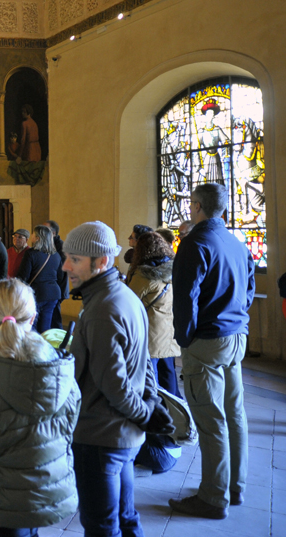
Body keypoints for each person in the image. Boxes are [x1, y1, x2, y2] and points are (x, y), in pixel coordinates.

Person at [61, 221, 172, 537]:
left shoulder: (103, 308)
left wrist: (146, 413)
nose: (67, 265)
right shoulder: (123, 294)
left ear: (102, 261)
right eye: (68, 257)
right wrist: (149, 404)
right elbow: (145, 359)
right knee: (126, 520)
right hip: (121, 435)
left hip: (101, 436)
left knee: (102, 526)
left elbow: (115, 385)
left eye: (76, 259)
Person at [0, 278, 80, 537]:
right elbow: (70, 427)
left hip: (2, 497)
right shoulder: (61, 369)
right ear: (33, 317)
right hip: (50, 487)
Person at [169, 183, 255, 519]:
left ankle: (212, 497)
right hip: (236, 337)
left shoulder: (195, 243)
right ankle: (235, 486)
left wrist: (184, 339)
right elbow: (248, 292)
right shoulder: (237, 242)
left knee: (210, 419)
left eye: (191, 204)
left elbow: (185, 299)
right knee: (235, 414)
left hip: (207, 340)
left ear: (197, 206)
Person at [127, 232, 180, 397]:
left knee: (151, 375)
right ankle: (175, 411)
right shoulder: (175, 270)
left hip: (151, 331)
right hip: (171, 329)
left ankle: (156, 409)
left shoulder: (143, 275)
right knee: (169, 372)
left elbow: (129, 301)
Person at [16, 225, 62, 334]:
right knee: (45, 327)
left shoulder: (31, 254)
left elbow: (23, 276)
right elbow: (60, 276)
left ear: (37, 238)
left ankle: (33, 348)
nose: (31, 236)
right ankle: (43, 348)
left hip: (36, 293)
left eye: (33, 234)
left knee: (30, 325)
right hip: (53, 294)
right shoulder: (56, 255)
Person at [45, 220, 68, 330]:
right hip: (51, 289)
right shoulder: (49, 245)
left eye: (45, 230)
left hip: (57, 288)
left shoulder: (60, 248)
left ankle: (59, 345)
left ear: (53, 233)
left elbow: (61, 271)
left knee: (55, 320)